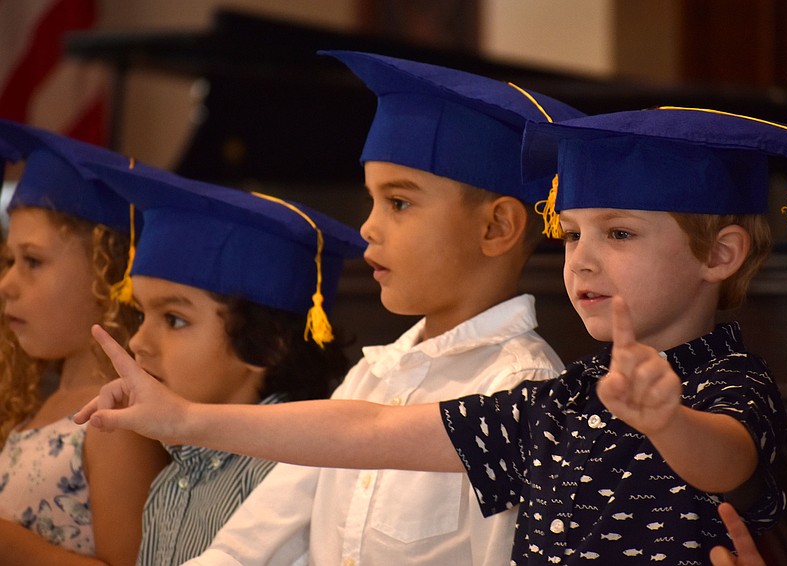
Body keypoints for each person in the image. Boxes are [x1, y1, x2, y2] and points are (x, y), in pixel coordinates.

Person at [76, 106, 787, 563]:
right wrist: (185, 419)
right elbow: (369, 431)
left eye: (618, 233)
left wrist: (668, 421)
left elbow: (730, 462)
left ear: (720, 256)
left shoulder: (725, 384)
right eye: (573, 233)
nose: (582, 257)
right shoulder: (561, 402)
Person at [185, 50, 584, 566]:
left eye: (398, 202)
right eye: (370, 200)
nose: (368, 227)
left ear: (495, 227)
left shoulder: (517, 389)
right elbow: (252, 545)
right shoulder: (371, 379)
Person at [79, 159, 364, 565]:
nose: (139, 341)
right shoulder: (175, 475)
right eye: (142, 315)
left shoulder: (286, 472)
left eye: (174, 319)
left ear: (267, 344)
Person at [0, 120, 169, 564]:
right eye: (9, 260)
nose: (7, 283)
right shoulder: (44, 406)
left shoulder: (115, 421)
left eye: (32, 261)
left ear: (106, 274)